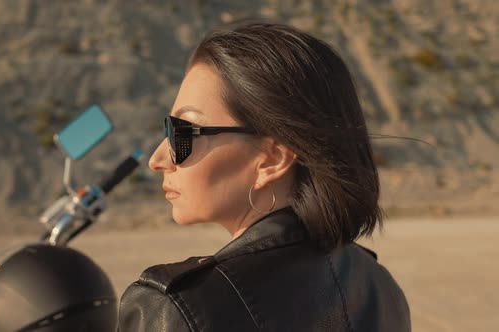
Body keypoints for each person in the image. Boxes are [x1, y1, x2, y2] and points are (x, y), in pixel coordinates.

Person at [118, 22, 410, 331]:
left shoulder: (180, 310)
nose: (157, 159)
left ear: (273, 159)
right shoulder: (380, 288)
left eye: (182, 134)